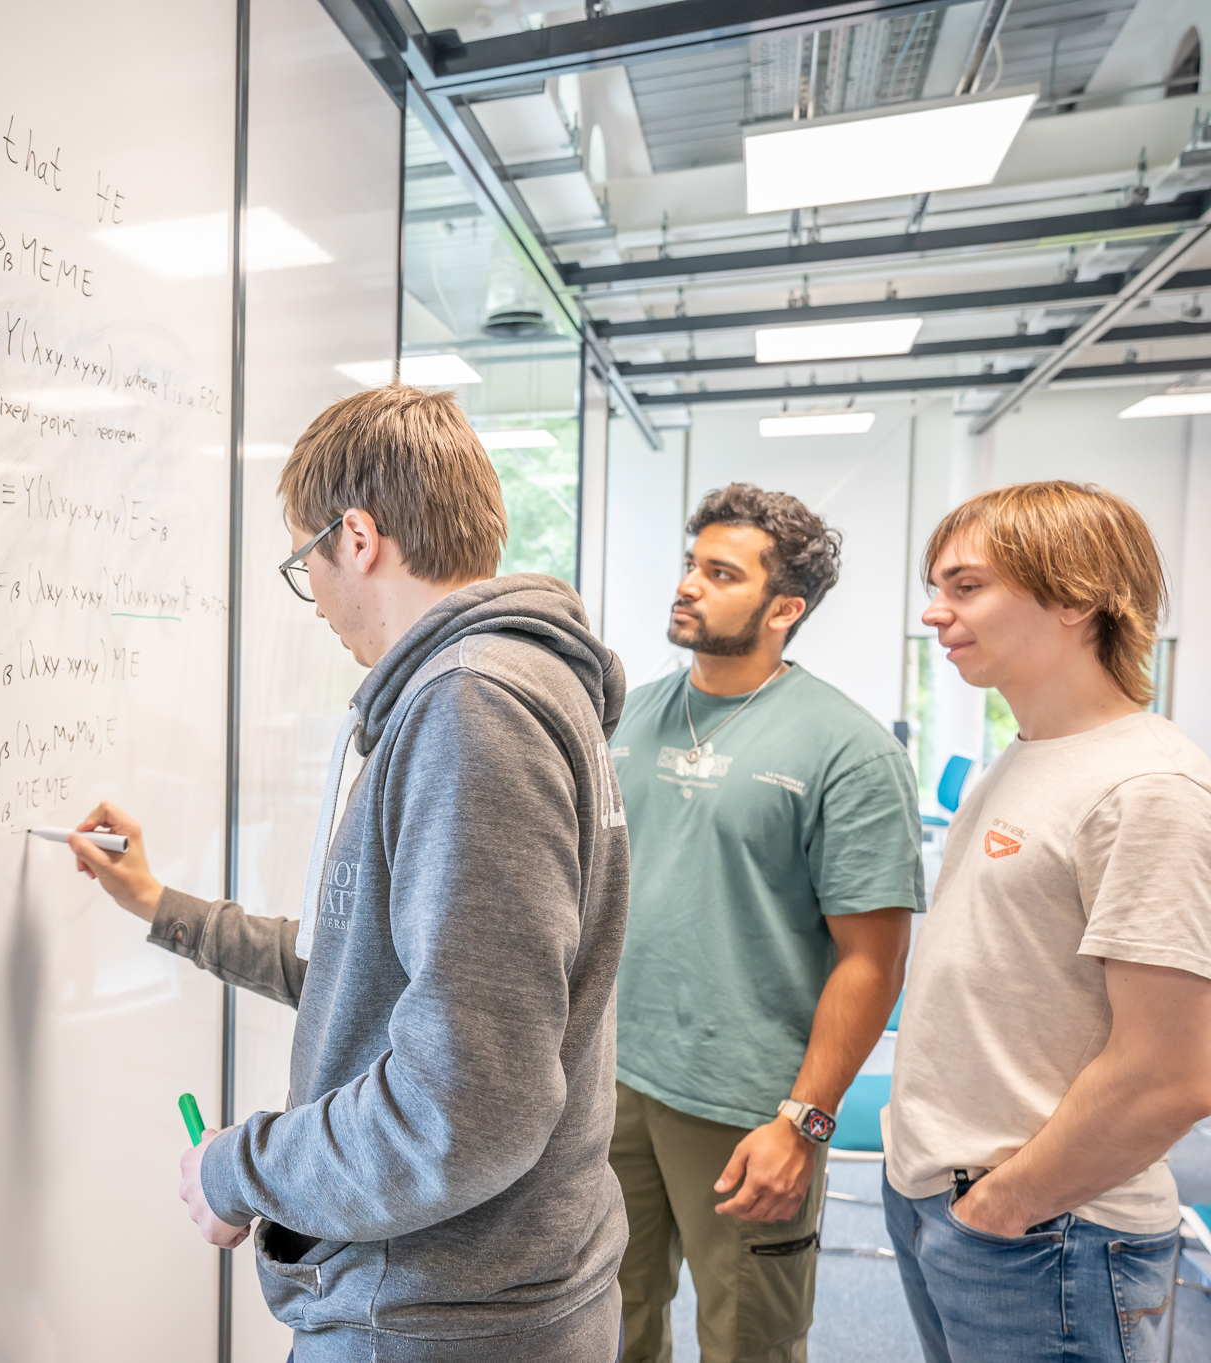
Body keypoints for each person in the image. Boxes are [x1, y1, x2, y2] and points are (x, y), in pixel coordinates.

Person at [62, 384, 630, 1362]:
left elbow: (465, 1109)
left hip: (436, 1315)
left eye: (303, 560)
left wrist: (241, 1169)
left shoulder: (471, 712)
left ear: (356, 537)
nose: (313, 594)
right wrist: (162, 904)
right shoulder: (512, 691)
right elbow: (370, 972)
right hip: (470, 1297)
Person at [884, 481, 1211, 1363]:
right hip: (955, 1203)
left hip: (1048, 1230)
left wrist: (1006, 1205)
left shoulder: (1149, 789)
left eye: (965, 585)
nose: (933, 612)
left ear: (1074, 595)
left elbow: (1170, 1074)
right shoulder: (1020, 761)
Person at [608, 484, 922, 1363]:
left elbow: (873, 961)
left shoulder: (848, 750)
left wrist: (804, 1123)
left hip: (748, 1108)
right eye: (689, 564)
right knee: (606, 1320)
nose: (688, 585)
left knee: (749, 1341)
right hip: (616, 1083)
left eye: (719, 572)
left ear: (785, 607)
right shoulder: (630, 714)